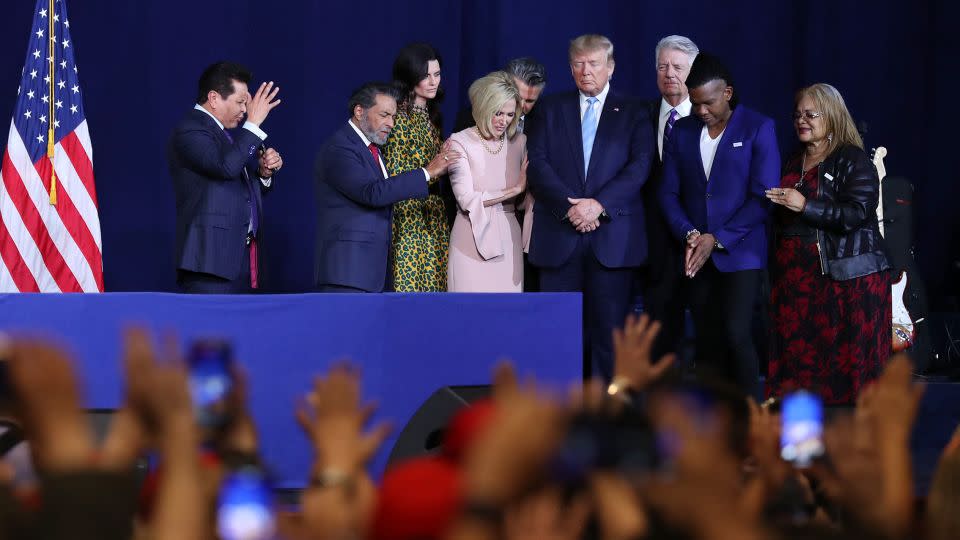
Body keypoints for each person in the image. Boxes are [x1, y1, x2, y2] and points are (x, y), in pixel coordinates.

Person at [527, 34, 654, 380]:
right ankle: (557, 417)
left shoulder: (634, 112)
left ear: (610, 67)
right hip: (558, 236)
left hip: (612, 240)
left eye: (594, 63)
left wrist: (598, 205)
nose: (586, 71)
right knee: (557, 337)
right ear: (570, 68)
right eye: (579, 64)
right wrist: (571, 207)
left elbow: (640, 165)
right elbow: (536, 163)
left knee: (609, 339)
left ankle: (604, 421)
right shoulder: (550, 109)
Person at [658, 52, 779, 398]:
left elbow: (763, 196)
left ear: (727, 92)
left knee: (736, 333)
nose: (700, 111)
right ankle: (712, 427)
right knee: (707, 338)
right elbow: (667, 193)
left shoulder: (758, 127)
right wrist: (691, 234)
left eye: (708, 103)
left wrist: (718, 238)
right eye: (695, 104)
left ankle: (751, 419)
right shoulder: (681, 131)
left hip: (741, 254)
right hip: (697, 252)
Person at [765, 83, 891, 405]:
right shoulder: (793, 159)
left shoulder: (852, 158)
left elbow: (858, 212)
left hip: (846, 282)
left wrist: (805, 205)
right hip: (798, 283)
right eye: (797, 115)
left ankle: (852, 441)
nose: (801, 121)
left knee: (845, 371)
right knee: (801, 370)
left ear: (832, 116)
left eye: (810, 114)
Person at [314, 83, 457, 293]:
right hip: (346, 274)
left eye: (393, 116)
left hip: (370, 274)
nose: (391, 123)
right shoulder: (340, 148)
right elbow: (373, 193)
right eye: (384, 115)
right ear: (359, 111)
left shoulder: (372, 149)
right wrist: (427, 172)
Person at [169, 61, 282, 294]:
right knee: (210, 331)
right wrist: (253, 124)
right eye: (241, 102)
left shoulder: (224, 135)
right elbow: (225, 167)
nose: (245, 110)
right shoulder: (191, 129)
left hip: (235, 261)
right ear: (213, 98)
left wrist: (263, 174)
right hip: (208, 262)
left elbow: (234, 184)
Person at [642, 34, 699, 365]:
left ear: (692, 72)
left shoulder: (712, 118)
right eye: (662, 66)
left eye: (678, 67)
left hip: (701, 242)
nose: (669, 73)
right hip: (655, 246)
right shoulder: (639, 115)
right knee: (659, 336)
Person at [446, 72, 526, 292]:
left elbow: (526, 200)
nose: (504, 121)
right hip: (469, 235)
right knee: (467, 315)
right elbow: (466, 199)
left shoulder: (520, 142)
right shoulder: (459, 141)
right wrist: (515, 189)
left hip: (509, 237)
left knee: (507, 317)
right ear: (483, 107)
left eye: (510, 114)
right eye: (498, 113)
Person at [383, 43, 450, 292]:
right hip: (408, 216)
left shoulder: (432, 116)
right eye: (426, 76)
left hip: (434, 214)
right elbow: (395, 171)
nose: (433, 82)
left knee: (436, 293)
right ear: (410, 77)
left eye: (437, 74)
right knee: (409, 293)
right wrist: (435, 169)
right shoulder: (398, 117)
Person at [453, 57, 547, 135]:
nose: (521, 105)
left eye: (529, 101)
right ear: (503, 85)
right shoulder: (470, 118)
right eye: (517, 96)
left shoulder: (544, 122)